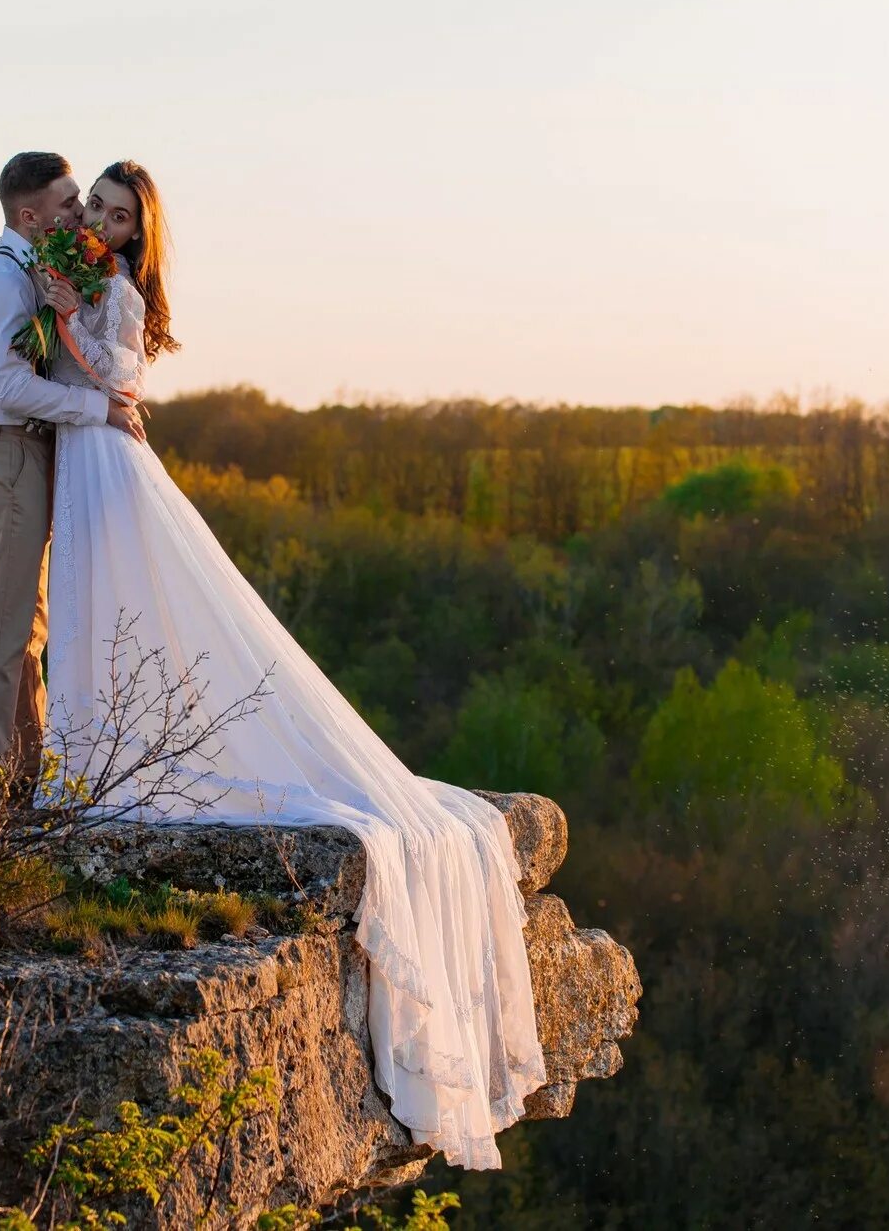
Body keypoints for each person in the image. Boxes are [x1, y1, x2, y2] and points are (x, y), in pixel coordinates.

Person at [38, 160, 546, 1170]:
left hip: (106, 452)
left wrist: (64, 319)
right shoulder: (87, 277)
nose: (96, 221)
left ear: (139, 233)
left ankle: (108, 754)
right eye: (91, 207)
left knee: (129, 600)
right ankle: (89, 750)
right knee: (99, 605)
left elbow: (124, 382)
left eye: (113, 213)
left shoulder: (119, 292)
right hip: (81, 454)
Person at [0, 151, 144, 785]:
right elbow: (9, 388)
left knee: (26, 631)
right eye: (69, 203)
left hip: (22, 454)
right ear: (30, 215)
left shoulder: (25, 268)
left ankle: (30, 779)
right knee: (4, 632)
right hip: (3, 451)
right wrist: (99, 408)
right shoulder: (2, 282)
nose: (78, 216)